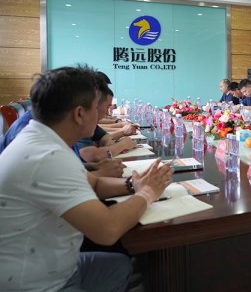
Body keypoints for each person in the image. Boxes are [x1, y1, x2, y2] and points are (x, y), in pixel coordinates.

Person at [0, 66, 172, 291]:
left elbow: (95, 183)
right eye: (97, 107)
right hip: (37, 284)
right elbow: (108, 229)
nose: (102, 115)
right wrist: (147, 193)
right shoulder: (46, 156)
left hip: (58, 264)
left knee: (120, 266)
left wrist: (133, 184)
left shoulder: (44, 139)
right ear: (80, 114)